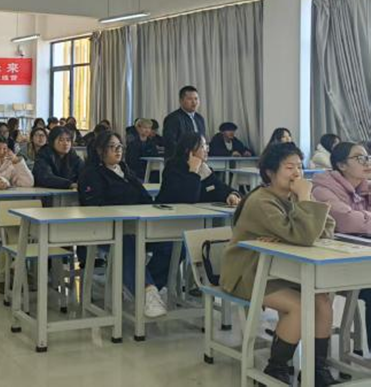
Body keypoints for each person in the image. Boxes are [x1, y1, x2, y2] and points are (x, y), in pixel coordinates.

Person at [220, 142, 336, 385]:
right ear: (270, 172)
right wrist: (303, 205)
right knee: (299, 306)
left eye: (299, 167)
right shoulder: (261, 201)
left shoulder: (293, 197)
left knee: (322, 301)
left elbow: (326, 231)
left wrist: (303, 207)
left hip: (281, 270)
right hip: (248, 272)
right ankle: (275, 369)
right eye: (289, 167)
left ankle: (317, 368)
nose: (297, 173)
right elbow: (305, 236)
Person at [78, 130, 169, 318]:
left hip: (137, 226)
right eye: (112, 147)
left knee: (173, 243)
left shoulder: (125, 171)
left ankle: (144, 287)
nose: (118, 151)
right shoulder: (91, 174)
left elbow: (144, 198)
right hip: (107, 230)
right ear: (100, 150)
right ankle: (145, 290)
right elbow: (95, 205)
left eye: (119, 147)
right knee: (127, 243)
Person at [312, 142, 371, 349]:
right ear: (341, 165)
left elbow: (358, 220)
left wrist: (362, 217)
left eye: (368, 157)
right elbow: (347, 221)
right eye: (360, 158)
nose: (367, 162)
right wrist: (363, 218)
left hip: (360, 260)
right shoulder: (323, 189)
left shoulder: (365, 187)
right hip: (332, 267)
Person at [157, 133, 241, 206]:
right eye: (202, 146)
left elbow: (221, 188)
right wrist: (194, 171)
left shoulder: (204, 169)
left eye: (206, 146)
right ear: (189, 150)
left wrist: (232, 195)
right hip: (169, 215)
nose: (206, 150)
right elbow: (189, 199)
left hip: (197, 216)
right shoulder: (173, 169)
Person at [162, 85, 206, 159]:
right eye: (190, 99)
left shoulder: (200, 118)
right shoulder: (173, 118)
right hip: (178, 160)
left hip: (197, 159)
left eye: (196, 99)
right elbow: (170, 142)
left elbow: (202, 139)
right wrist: (187, 155)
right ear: (181, 101)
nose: (194, 102)